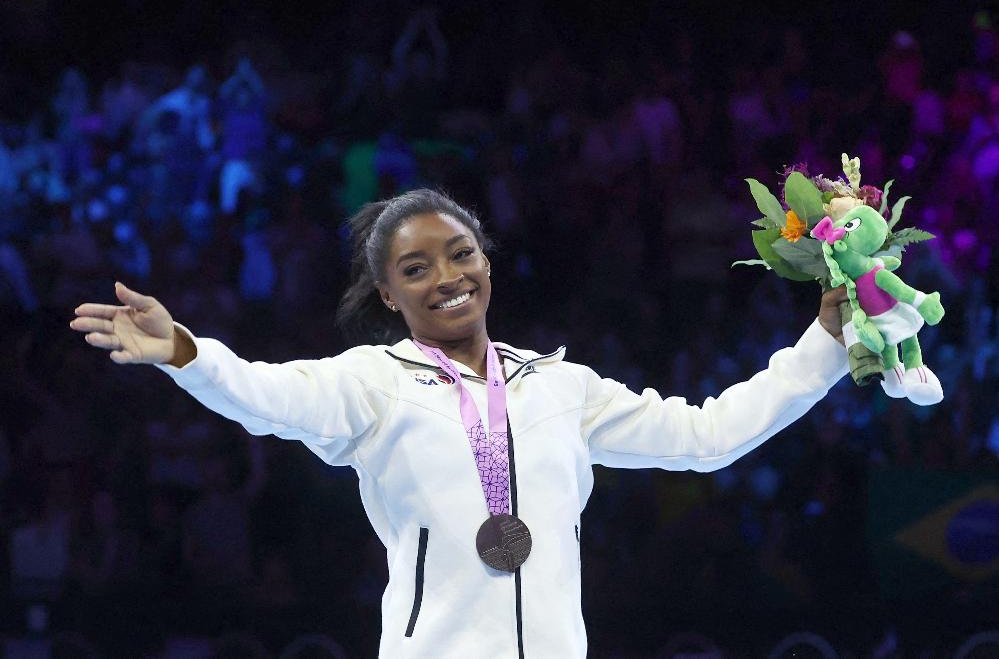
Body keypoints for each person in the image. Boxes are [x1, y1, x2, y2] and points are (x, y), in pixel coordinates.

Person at [70, 188, 850, 657]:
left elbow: (708, 436)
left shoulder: (559, 385)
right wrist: (184, 350)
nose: (446, 277)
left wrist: (826, 341)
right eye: (416, 269)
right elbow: (262, 396)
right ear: (387, 293)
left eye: (460, 253)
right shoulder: (371, 385)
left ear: (485, 259)